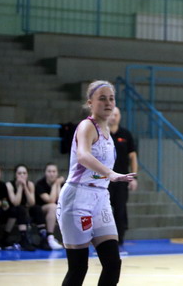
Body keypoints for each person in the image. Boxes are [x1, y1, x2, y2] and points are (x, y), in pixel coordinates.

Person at [57, 80, 136, 286]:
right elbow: (83, 155)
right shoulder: (87, 126)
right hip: (78, 197)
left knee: (113, 263)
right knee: (78, 268)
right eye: (102, 98)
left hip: (100, 198)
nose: (108, 102)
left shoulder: (108, 132)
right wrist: (110, 174)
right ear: (90, 102)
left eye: (111, 98)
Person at [107, 106, 138, 250]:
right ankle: (104, 239)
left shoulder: (126, 134)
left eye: (116, 114)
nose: (113, 117)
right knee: (104, 210)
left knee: (120, 210)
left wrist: (134, 177)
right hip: (105, 179)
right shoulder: (102, 133)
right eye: (111, 114)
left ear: (119, 117)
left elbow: (133, 156)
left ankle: (119, 239)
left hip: (122, 179)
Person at [6, 164, 50, 251]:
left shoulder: (30, 184)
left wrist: (25, 187)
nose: (22, 175)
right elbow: (15, 203)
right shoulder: (9, 185)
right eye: (19, 173)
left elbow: (32, 203)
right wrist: (20, 188)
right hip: (12, 211)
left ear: (27, 175)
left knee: (37, 208)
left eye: (24, 173)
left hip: (26, 209)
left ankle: (43, 239)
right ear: (15, 175)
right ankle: (24, 239)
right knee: (20, 209)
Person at [35, 162, 65, 249]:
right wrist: (56, 184)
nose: (52, 174)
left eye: (54, 171)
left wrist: (58, 185)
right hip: (41, 210)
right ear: (45, 173)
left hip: (56, 210)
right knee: (53, 206)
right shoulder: (40, 184)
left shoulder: (61, 184)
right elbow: (51, 200)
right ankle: (50, 237)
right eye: (49, 171)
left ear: (57, 173)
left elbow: (61, 201)